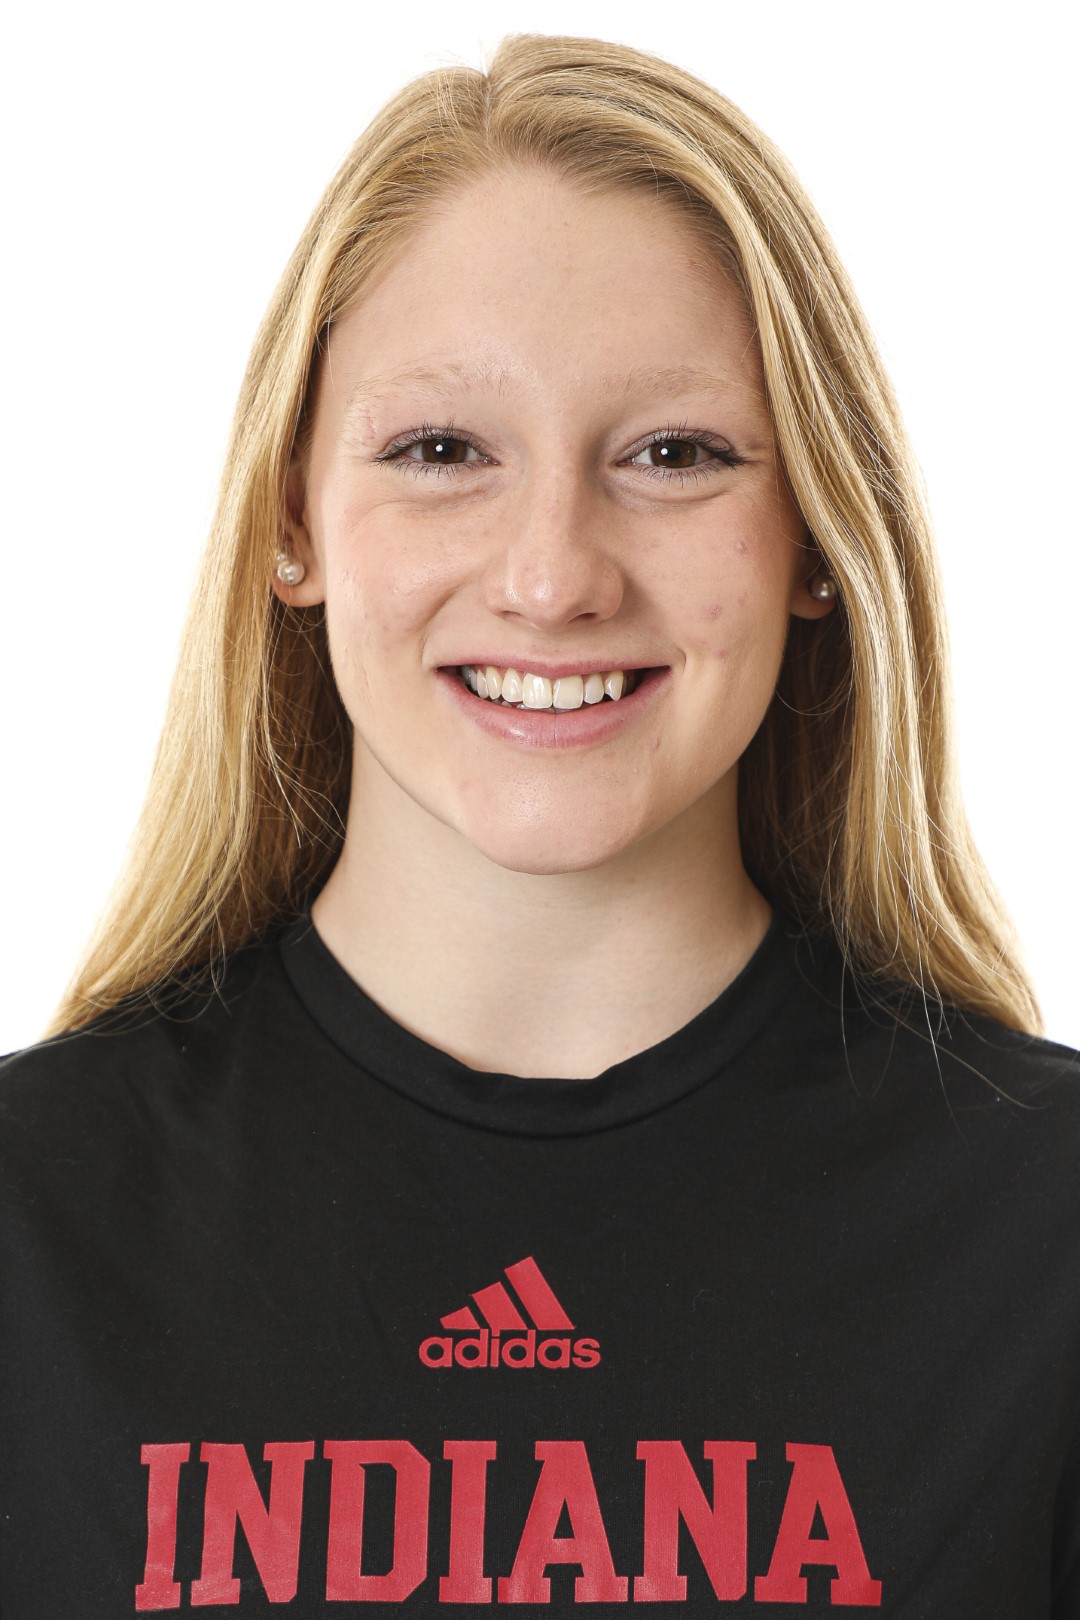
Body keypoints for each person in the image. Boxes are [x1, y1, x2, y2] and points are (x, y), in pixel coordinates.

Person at [0, 30, 1076, 1617]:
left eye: (673, 455)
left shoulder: (1046, 1235)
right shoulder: (31, 1228)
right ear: (293, 522)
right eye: (443, 451)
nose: (553, 574)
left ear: (814, 535)